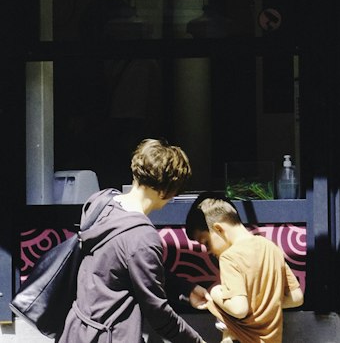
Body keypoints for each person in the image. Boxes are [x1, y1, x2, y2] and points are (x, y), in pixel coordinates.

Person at [61, 138, 205, 343]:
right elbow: (158, 313)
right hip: (111, 337)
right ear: (166, 191)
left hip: (77, 330)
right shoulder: (143, 236)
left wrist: (185, 289)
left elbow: (124, 264)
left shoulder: (101, 202)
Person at [185, 195, 303, 343]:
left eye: (206, 243)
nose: (207, 251)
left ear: (218, 229)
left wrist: (215, 293)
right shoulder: (271, 248)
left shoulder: (229, 257)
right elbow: (297, 297)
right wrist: (266, 302)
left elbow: (239, 310)